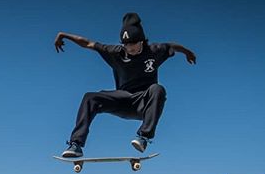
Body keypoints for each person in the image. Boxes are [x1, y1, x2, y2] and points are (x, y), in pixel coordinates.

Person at [54, 12, 196, 157]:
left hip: (144, 103)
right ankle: (76, 145)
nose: (130, 49)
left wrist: (187, 52)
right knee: (90, 97)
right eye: (127, 45)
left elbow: (172, 46)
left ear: (142, 41)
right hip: (123, 100)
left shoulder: (155, 50)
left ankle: (143, 137)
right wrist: (63, 35)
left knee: (158, 89)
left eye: (134, 44)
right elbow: (89, 43)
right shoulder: (115, 52)